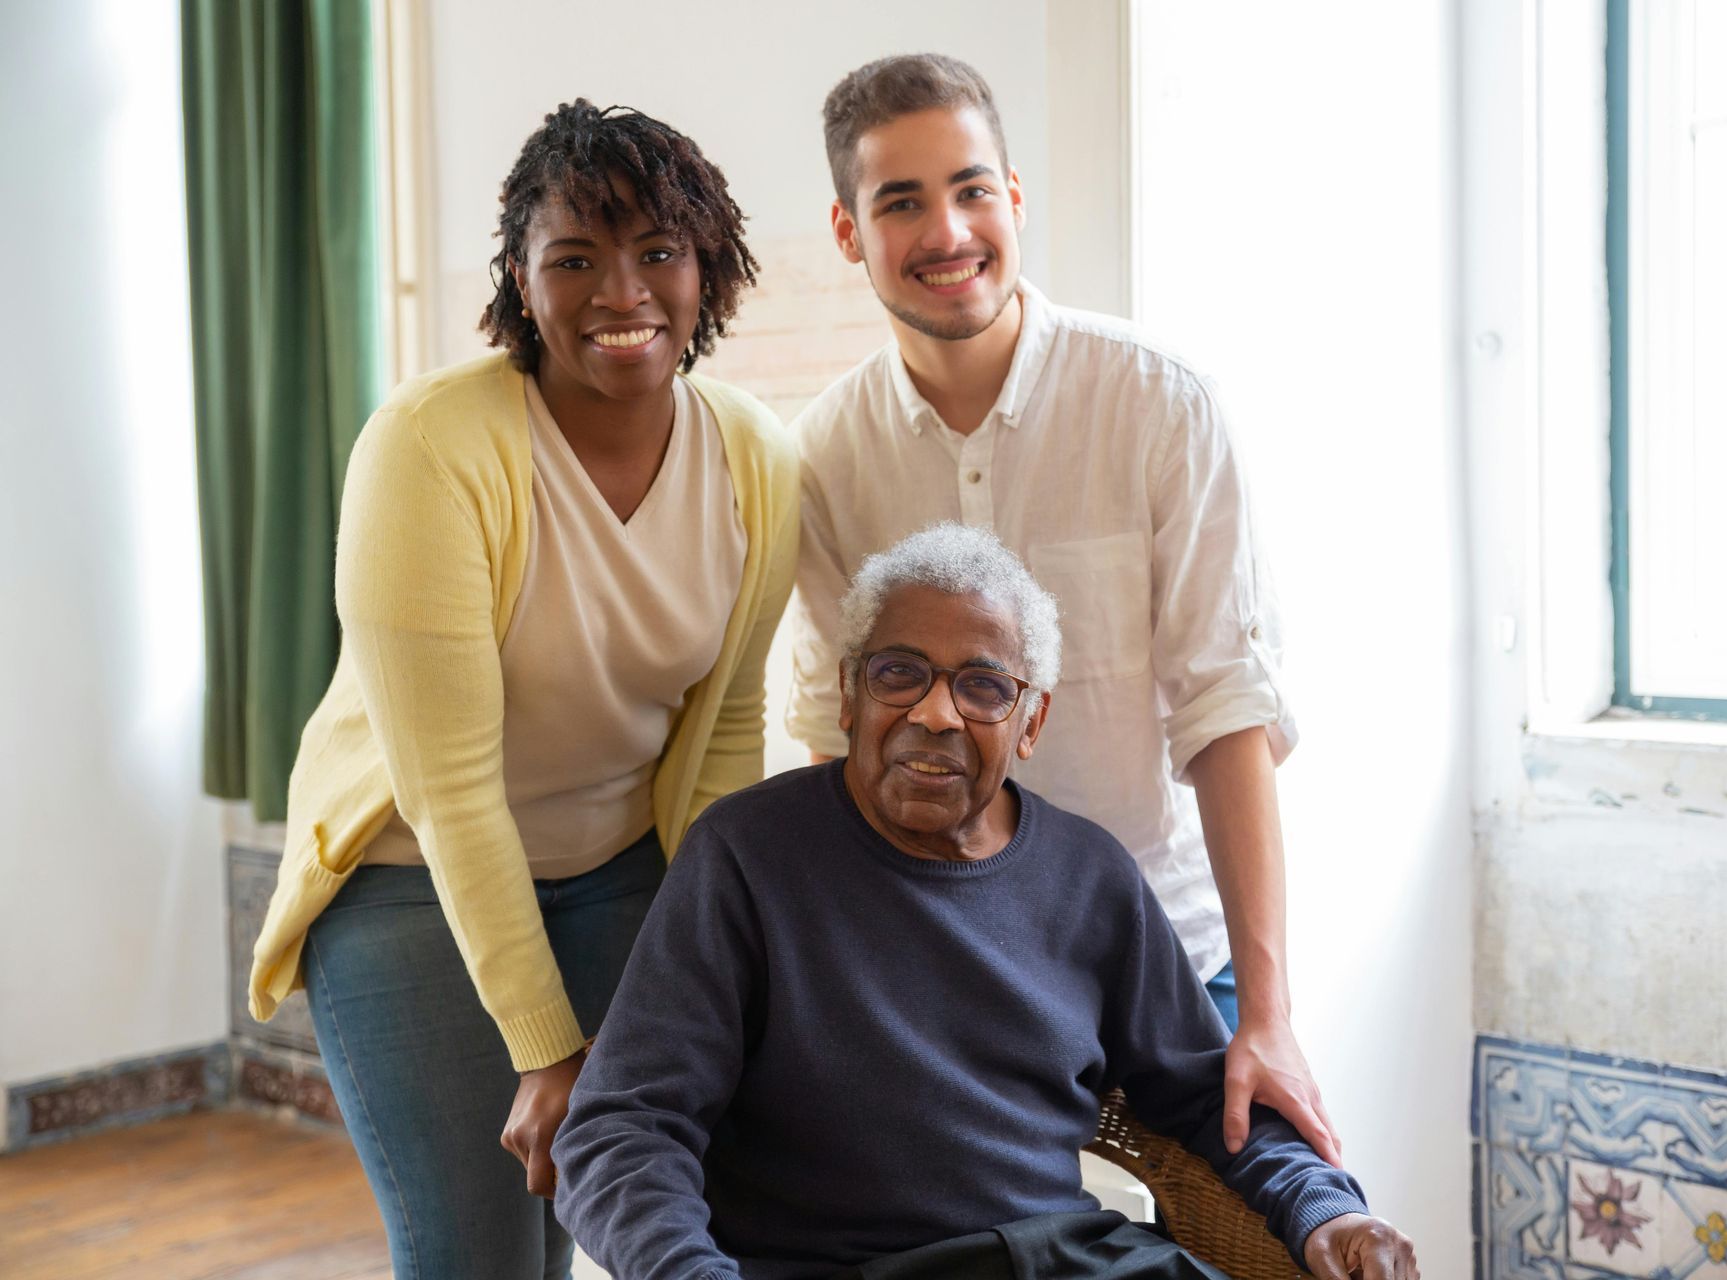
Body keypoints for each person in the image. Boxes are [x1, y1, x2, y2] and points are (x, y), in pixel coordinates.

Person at [245, 100, 798, 1280]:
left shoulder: (757, 457)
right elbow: (447, 789)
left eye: (659, 250)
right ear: (518, 275)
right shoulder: (430, 446)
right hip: (407, 882)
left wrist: (721, 957)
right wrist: (545, 1044)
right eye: (576, 257)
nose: (623, 291)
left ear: (710, 267)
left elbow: (730, 730)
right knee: (483, 1253)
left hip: (620, 869)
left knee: (636, 1212)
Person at [554, 524, 1418, 1280]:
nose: (935, 714)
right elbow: (620, 1131)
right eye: (901, 674)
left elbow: (1207, 1099)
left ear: (1031, 723)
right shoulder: (745, 857)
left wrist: (1326, 1211)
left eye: (982, 686)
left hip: (1072, 1257)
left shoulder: (1093, 878)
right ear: (850, 696)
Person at [786, 53, 1339, 1164]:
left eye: (972, 187)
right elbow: (830, 741)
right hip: (931, 968)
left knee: (1286, 1214)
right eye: (901, 202)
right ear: (849, 233)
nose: (948, 231)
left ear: (1014, 197)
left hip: (1171, 959)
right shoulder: (820, 461)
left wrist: (1269, 1015)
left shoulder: (1161, 405)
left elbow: (1228, 710)